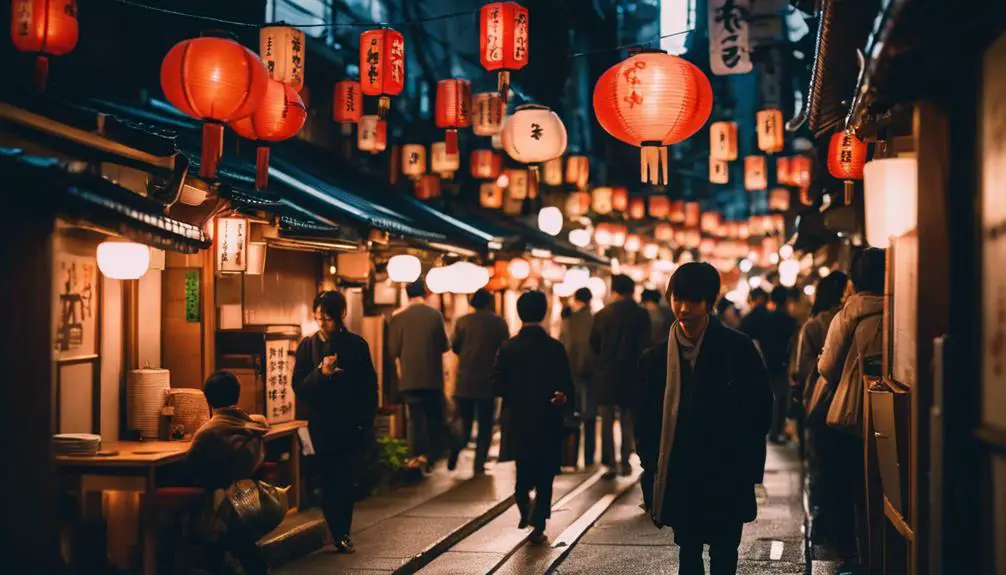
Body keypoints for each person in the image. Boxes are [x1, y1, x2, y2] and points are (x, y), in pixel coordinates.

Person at [636, 262, 773, 575]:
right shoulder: (656, 360)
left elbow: (761, 409)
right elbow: (645, 418)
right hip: (682, 474)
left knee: (725, 552)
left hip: (726, 471)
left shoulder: (738, 349)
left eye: (693, 301)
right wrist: (650, 465)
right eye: (677, 298)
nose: (683, 309)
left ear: (710, 302)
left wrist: (742, 457)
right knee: (688, 551)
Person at [292, 291, 378, 554]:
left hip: (351, 424)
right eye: (319, 318)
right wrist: (321, 374)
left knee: (346, 479)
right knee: (329, 478)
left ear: (341, 315)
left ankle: (343, 531)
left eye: (328, 318)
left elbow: (369, 388)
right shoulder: (308, 346)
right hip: (322, 425)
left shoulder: (356, 345)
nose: (322, 324)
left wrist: (366, 422)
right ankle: (338, 531)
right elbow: (299, 387)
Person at [816, 249, 886, 569]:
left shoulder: (847, 315)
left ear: (854, 281)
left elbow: (828, 368)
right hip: (892, 413)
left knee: (844, 483)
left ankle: (850, 552)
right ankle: (882, 552)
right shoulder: (902, 308)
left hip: (850, 414)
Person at [492, 290, 574, 545]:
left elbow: (496, 385)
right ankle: (538, 522)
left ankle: (524, 508)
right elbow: (567, 386)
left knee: (523, 471)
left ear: (519, 313)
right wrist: (561, 398)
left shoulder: (508, 348)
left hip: (518, 420)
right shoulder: (555, 348)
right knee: (546, 473)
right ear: (544, 313)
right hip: (548, 420)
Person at [188, 370, 271, 575]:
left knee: (219, 532)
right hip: (247, 495)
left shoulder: (208, 433)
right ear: (237, 395)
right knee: (238, 540)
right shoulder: (253, 425)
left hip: (219, 500)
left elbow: (191, 466)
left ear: (208, 399)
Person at [791, 271, 849, 545]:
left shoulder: (814, 326)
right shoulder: (849, 320)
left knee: (821, 465)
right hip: (851, 404)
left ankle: (824, 525)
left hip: (819, 401)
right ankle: (842, 526)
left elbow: (802, 368)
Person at [590, 274, 651, 479]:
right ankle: (626, 460)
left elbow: (594, 343)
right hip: (632, 373)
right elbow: (646, 345)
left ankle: (609, 462)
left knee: (607, 419)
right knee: (628, 418)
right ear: (632, 290)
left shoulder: (603, 314)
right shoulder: (641, 314)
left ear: (614, 290)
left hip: (607, 374)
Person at [388, 279, 450, 472]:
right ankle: (430, 457)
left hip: (409, 379)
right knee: (432, 418)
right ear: (425, 293)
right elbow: (444, 346)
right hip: (432, 379)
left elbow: (393, 350)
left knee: (415, 419)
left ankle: (416, 456)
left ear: (407, 294)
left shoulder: (398, 317)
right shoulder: (435, 315)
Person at [448, 288, 510, 475]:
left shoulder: (462, 322)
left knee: (464, 424)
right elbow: (504, 349)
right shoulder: (499, 323)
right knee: (485, 426)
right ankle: (479, 465)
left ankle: (455, 449)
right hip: (488, 382)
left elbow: (455, 347)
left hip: (465, 380)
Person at [741, 286, 797, 444]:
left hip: (767, 362)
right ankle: (776, 431)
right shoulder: (790, 321)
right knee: (780, 399)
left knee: (773, 398)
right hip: (783, 364)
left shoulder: (766, 318)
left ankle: (772, 430)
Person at [560, 287, 596, 466]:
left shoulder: (569, 320)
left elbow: (564, 344)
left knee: (573, 415)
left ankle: (570, 456)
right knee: (590, 415)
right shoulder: (595, 319)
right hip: (592, 372)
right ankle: (589, 457)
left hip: (572, 372)